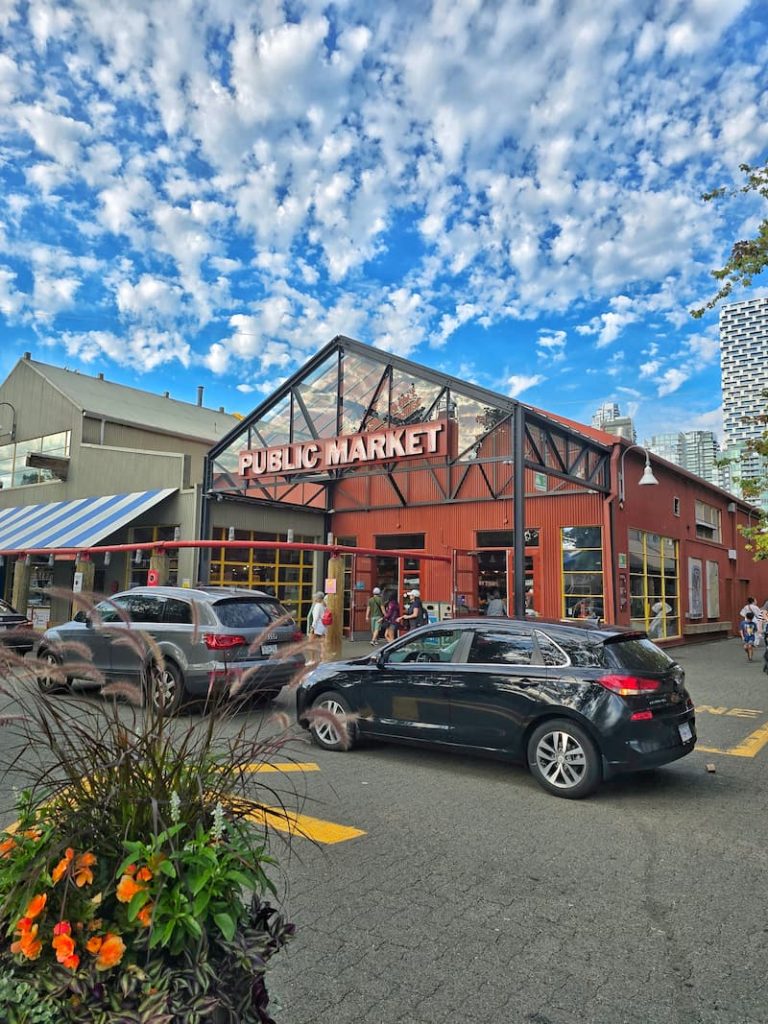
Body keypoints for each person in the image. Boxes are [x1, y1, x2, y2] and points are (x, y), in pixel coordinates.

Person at [308, 592, 327, 663]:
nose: (314, 599)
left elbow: (315, 618)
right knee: (323, 644)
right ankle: (323, 660)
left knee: (310, 643)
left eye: (315, 597)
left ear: (317, 598)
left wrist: (312, 627)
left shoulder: (317, 606)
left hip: (317, 628)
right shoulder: (324, 605)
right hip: (323, 627)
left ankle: (312, 660)